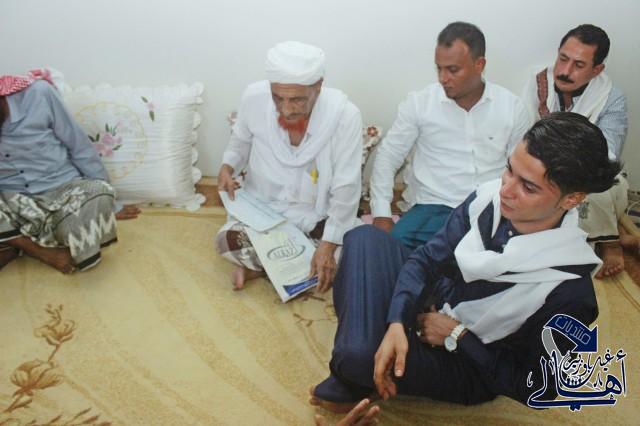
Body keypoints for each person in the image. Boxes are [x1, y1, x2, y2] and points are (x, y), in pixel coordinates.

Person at [310, 113, 621, 410]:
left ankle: (354, 374)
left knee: (356, 356)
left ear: (571, 199)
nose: (506, 190)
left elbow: (537, 387)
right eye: (509, 169)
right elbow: (426, 261)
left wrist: (458, 336)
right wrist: (397, 322)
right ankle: (368, 360)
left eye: (528, 187)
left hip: (465, 365)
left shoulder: (571, 293)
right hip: (433, 303)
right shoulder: (487, 199)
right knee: (364, 238)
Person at [215, 41, 362, 292]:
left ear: (318, 86)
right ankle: (294, 268)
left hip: (315, 217)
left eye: (297, 100)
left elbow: (346, 186)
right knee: (227, 240)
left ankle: (265, 268)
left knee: (356, 251)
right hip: (264, 211)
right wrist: (227, 166)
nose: (286, 109)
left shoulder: (345, 115)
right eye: (278, 97)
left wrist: (327, 246)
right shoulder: (254, 98)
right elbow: (240, 142)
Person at [369, 22, 531, 250]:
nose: (443, 78)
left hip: (491, 206)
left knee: (516, 256)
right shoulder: (420, 104)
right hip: (433, 208)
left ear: (479, 65)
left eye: (452, 70)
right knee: (391, 251)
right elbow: (388, 157)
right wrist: (381, 214)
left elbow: (523, 169)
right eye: (439, 69)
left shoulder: (511, 107)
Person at [522, 24, 635, 278]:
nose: (564, 71)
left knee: (595, 187)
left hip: (587, 171)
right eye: (563, 58)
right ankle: (604, 235)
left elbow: (608, 154)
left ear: (597, 70)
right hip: (541, 168)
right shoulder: (539, 82)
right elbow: (522, 133)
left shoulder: (611, 98)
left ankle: (609, 242)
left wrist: (565, 162)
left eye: (579, 65)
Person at [0, 70, 139, 273]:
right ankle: (38, 250)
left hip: (62, 189)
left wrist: (113, 205)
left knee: (99, 192)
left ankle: (13, 242)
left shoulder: (39, 93)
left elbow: (79, 145)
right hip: (12, 200)